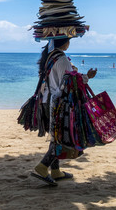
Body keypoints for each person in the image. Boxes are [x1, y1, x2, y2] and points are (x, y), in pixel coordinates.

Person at [30, 37, 97, 186]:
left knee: (56, 136)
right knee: (60, 137)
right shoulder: (62, 59)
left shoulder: (50, 57)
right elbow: (69, 83)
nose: (69, 43)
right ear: (64, 43)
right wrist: (87, 76)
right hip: (57, 103)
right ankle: (42, 167)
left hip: (46, 100)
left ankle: (56, 172)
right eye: (68, 40)